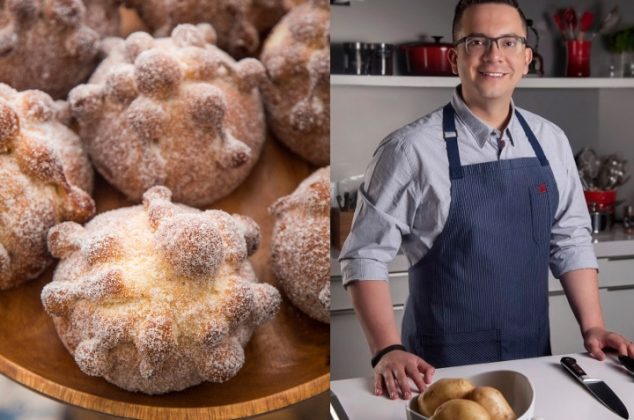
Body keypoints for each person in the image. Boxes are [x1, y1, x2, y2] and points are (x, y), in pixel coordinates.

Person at [338, 0, 634, 401]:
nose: (495, 55)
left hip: (532, 365)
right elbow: (364, 256)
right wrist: (387, 351)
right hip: (435, 372)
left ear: (527, 58)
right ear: (453, 57)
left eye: (509, 42)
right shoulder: (409, 150)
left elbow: (570, 239)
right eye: (477, 41)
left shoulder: (551, 142)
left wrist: (593, 327)